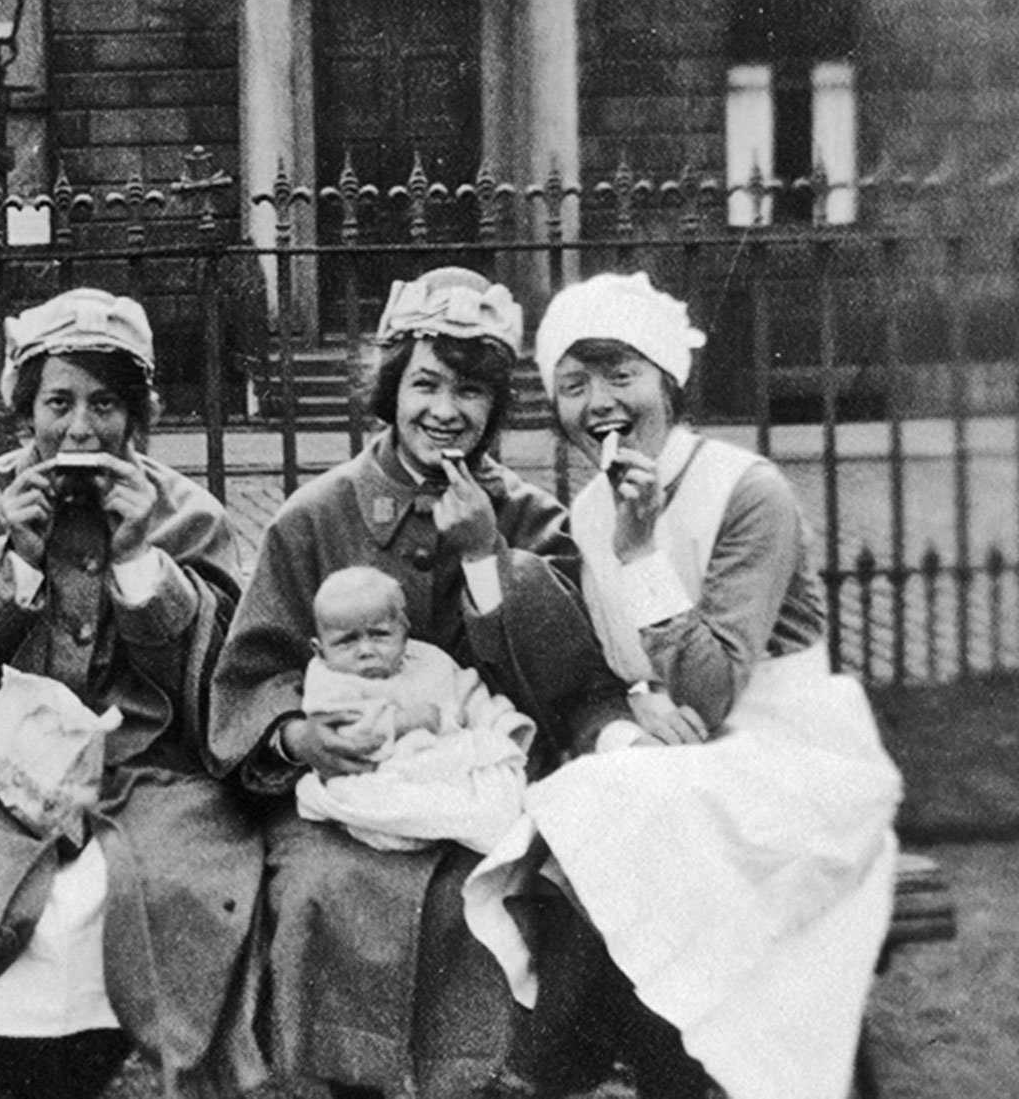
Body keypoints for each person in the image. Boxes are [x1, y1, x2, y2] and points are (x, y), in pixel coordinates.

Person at [464, 272, 904, 1099]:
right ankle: (593, 1070)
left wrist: (640, 554)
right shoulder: (589, 508)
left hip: (790, 749)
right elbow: (615, 679)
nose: (599, 401)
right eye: (573, 381)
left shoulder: (747, 490)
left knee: (612, 821)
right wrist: (631, 722)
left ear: (669, 378)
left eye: (620, 373)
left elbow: (710, 689)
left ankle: (544, 1067)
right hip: (677, 762)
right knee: (615, 812)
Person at [208, 265, 635, 1099]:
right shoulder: (316, 517)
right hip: (355, 791)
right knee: (332, 890)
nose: (446, 410)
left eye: (470, 391)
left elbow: (567, 685)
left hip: (487, 783)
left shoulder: (530, 519)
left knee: (521, 891)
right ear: (389, 390)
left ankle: (500, 1079)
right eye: (425, 384)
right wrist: (298, 734)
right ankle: (357, 1079)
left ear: (494, 408)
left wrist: (486, 557)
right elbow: (252, 670)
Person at [0, 287, 266, 1099]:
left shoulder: (183, 512)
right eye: (59, 402)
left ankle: (121, 1069)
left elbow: (224, 686)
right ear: (23, 415)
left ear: (138, 417)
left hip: (143, 770)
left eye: (106, 403)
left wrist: (140, 565)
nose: (81, 428)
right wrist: (6, 564)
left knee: (177, 882)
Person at [293, 565, 536, 857]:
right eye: (347, 641)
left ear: (404, 631)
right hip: (378, 770)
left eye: (380, 634)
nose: (366, 650)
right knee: (362, 796)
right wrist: (400, 722)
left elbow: (469, 693)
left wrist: (502, 725)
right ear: (319, 649)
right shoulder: (329, 679)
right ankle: (422, 826)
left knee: (495, 781)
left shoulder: (429, 659)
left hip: (444, 761)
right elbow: (340, 732)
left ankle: (470, 823)